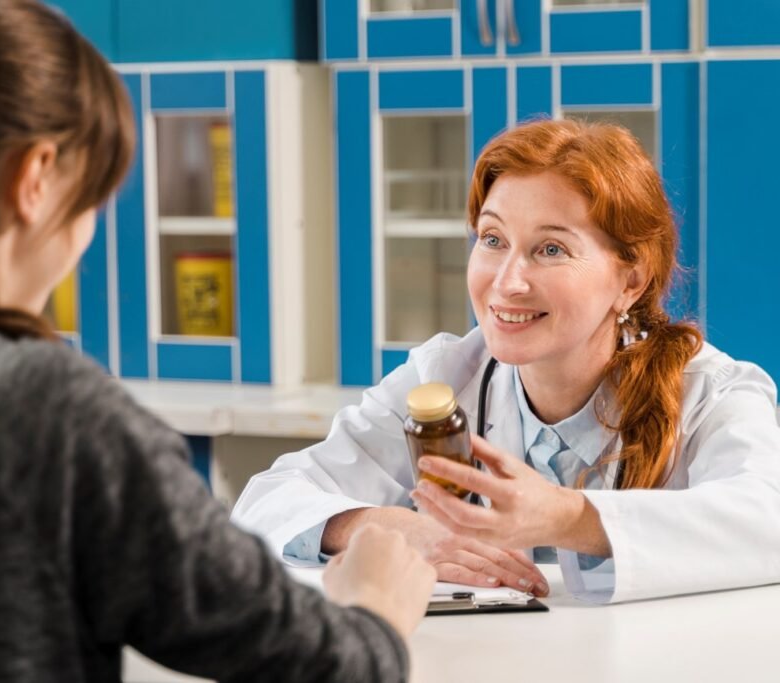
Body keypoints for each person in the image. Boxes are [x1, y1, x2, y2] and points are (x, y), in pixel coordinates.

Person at [0, 1, 437, 681]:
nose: (83, 241)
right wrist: (375, 604)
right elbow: (329, 664)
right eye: (91, 200)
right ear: (35, 177)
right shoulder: (44, 409)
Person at [233, 118, 780, 604]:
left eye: (551, 249)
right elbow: (265, 500)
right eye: (493, 239)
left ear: (630, 280)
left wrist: (569, 518)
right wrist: (387, 527)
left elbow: (765, 523)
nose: (507, 282)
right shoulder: (445, 376)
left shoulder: (713, 394)